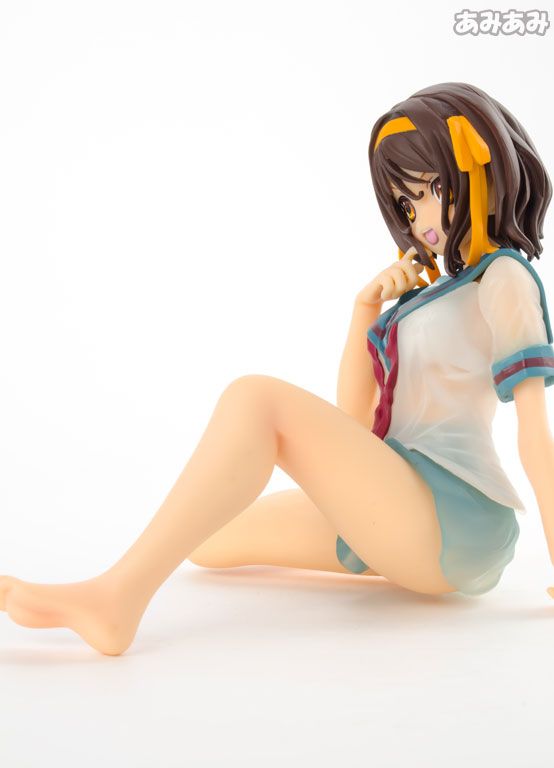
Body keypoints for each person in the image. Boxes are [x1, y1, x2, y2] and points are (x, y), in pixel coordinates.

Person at [1, 82, 554, 657]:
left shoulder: (505, 278)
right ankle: (124, 588)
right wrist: (364, 309)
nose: (422, 219)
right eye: (406, 205)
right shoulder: (431, 295)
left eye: (433, 189)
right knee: (207, 538)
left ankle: (114, 600)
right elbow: (352, 423)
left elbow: (536, 434)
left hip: (455, 517)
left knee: (255, 398)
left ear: (482, 171)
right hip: (400, 493)